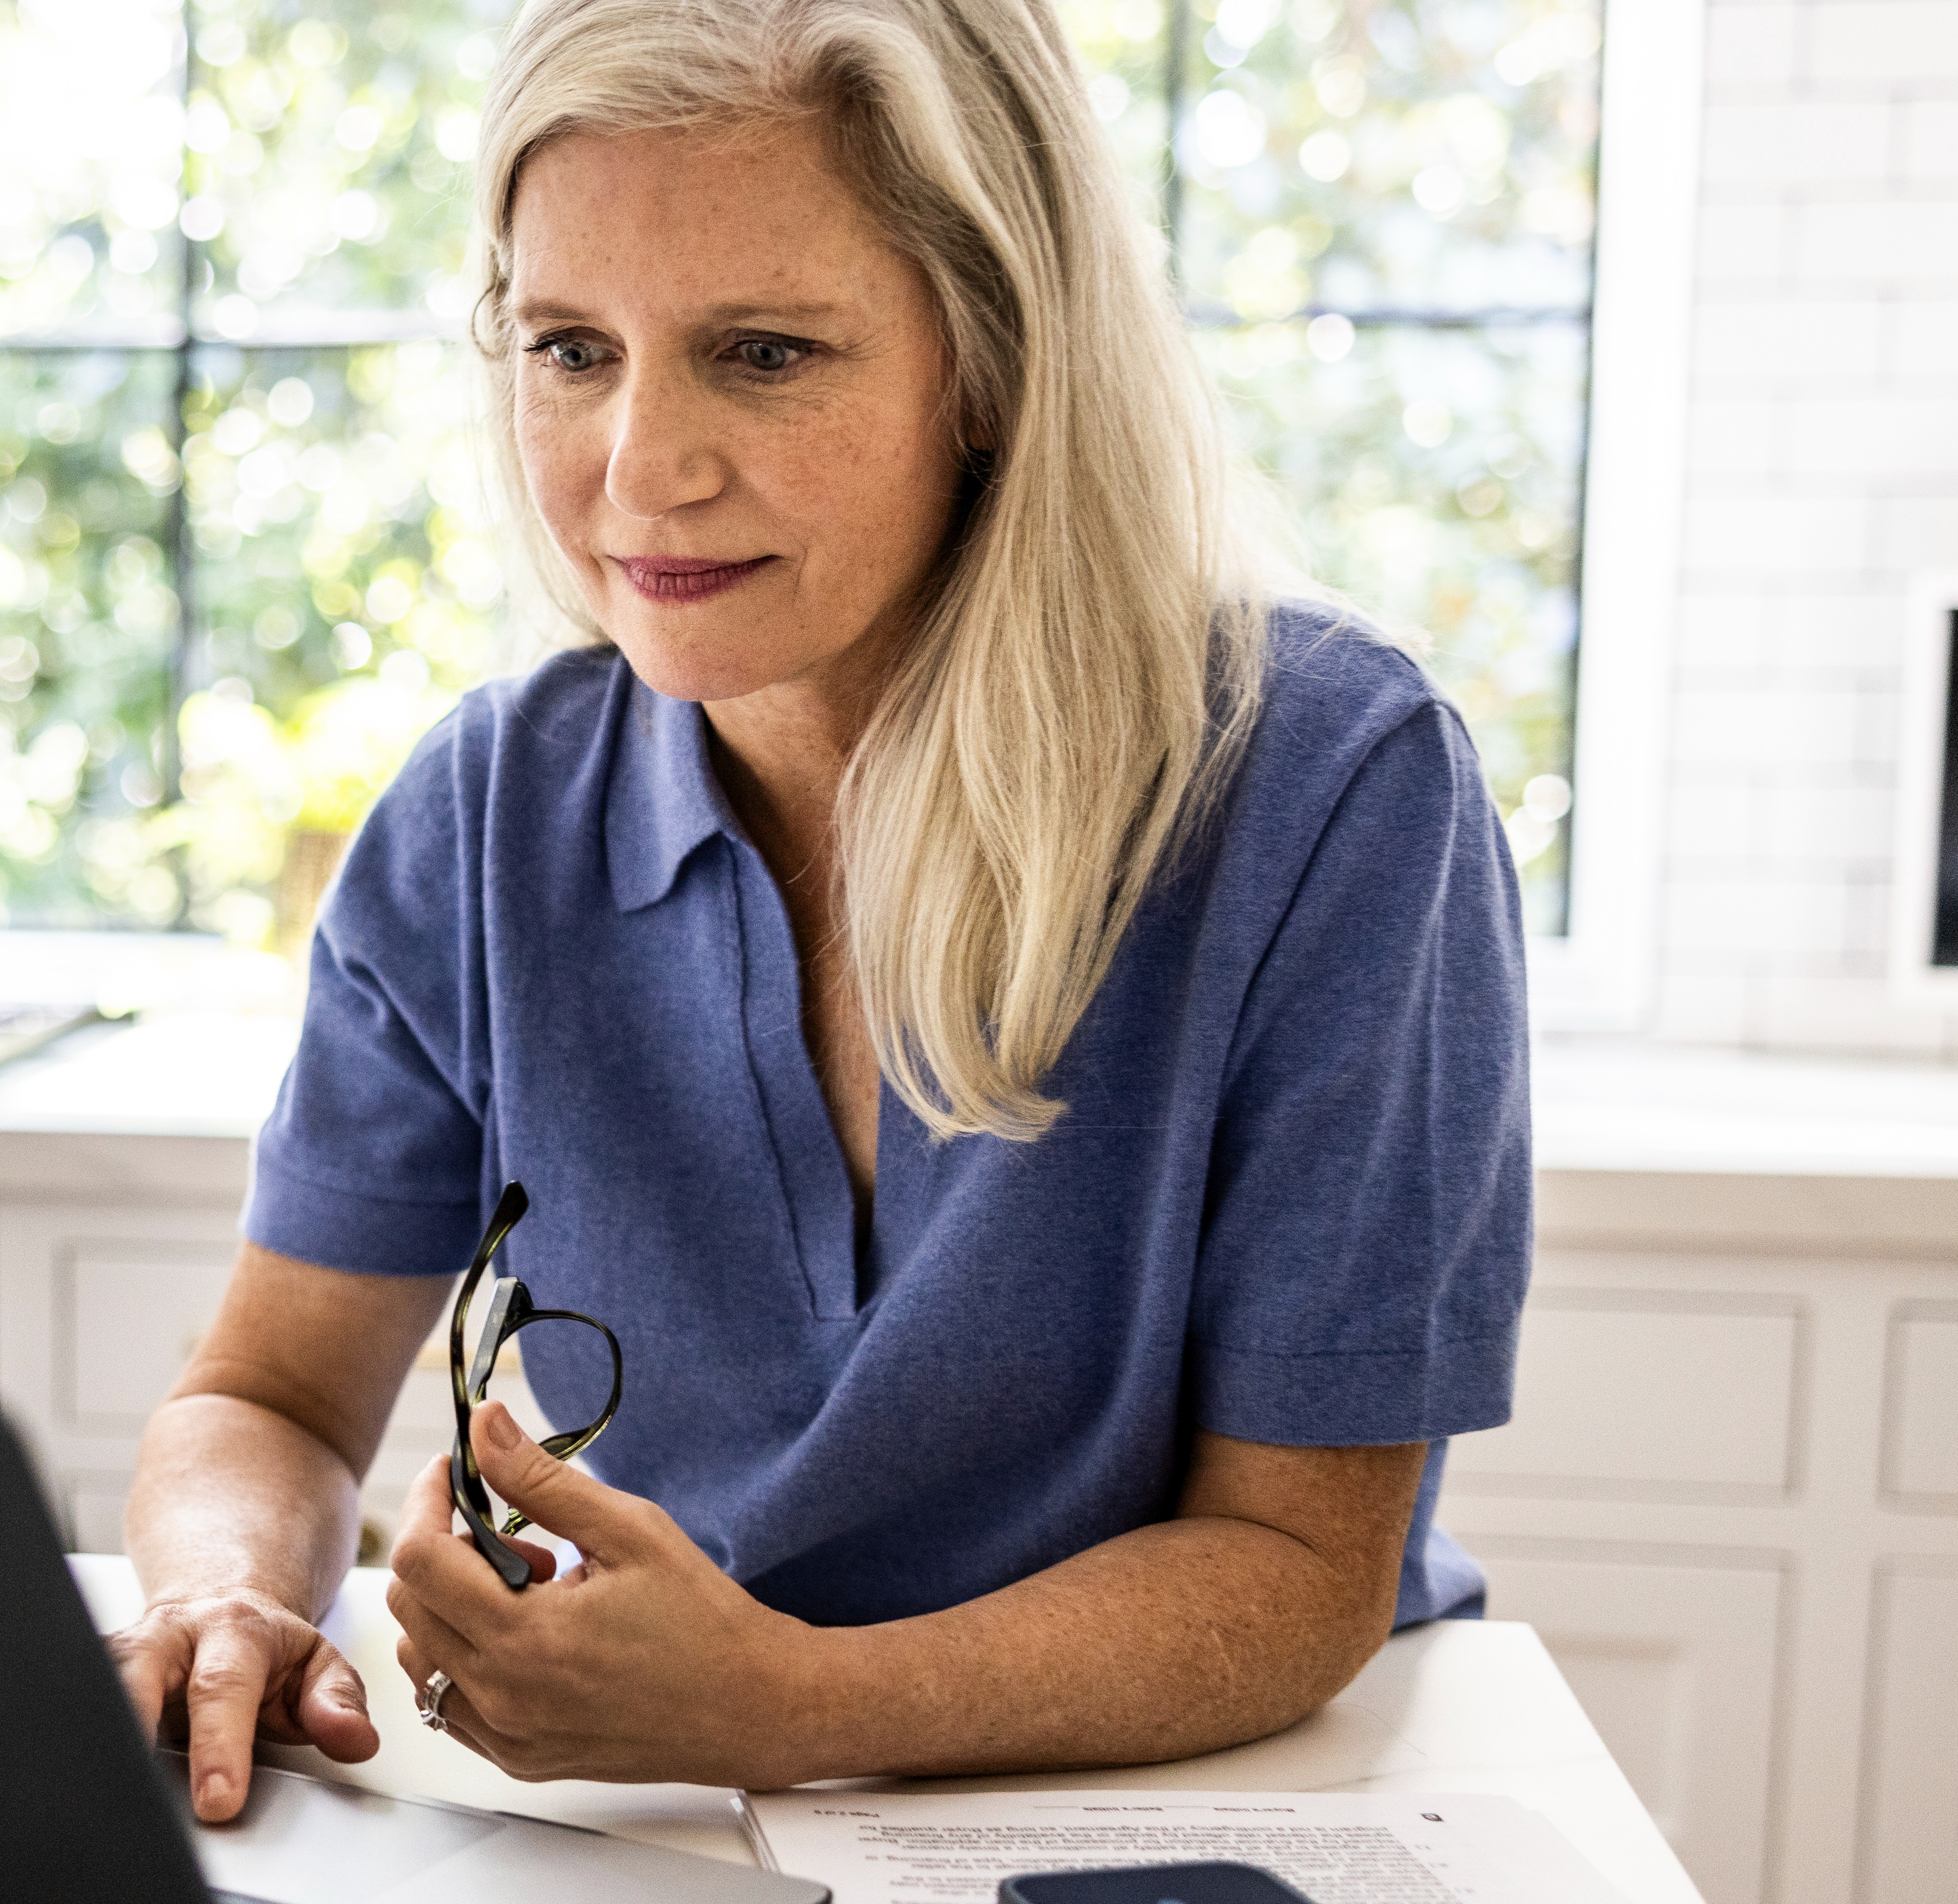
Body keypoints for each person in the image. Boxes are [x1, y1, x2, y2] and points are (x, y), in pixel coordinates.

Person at [107, 0, 1533, 1824]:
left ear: (997, 360)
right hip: (684, 1807)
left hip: (1215, 1792)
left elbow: (1296, 1564)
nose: (640, 468)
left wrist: (785, 1702)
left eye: (764, 353)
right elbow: (279, 1400)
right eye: (569, 347)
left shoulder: (1331, 786)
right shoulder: (481, 817)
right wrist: (221, 1586)